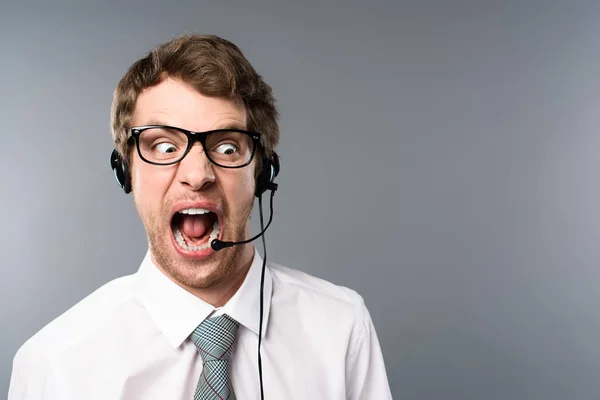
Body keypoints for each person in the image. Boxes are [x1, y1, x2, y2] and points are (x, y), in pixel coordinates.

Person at [8, 34, 392, 399]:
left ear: (262, 173)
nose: (197, 175)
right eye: (162, 145)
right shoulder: (54, 364)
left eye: (226, 147)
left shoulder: (341, 328)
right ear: (126, 171)